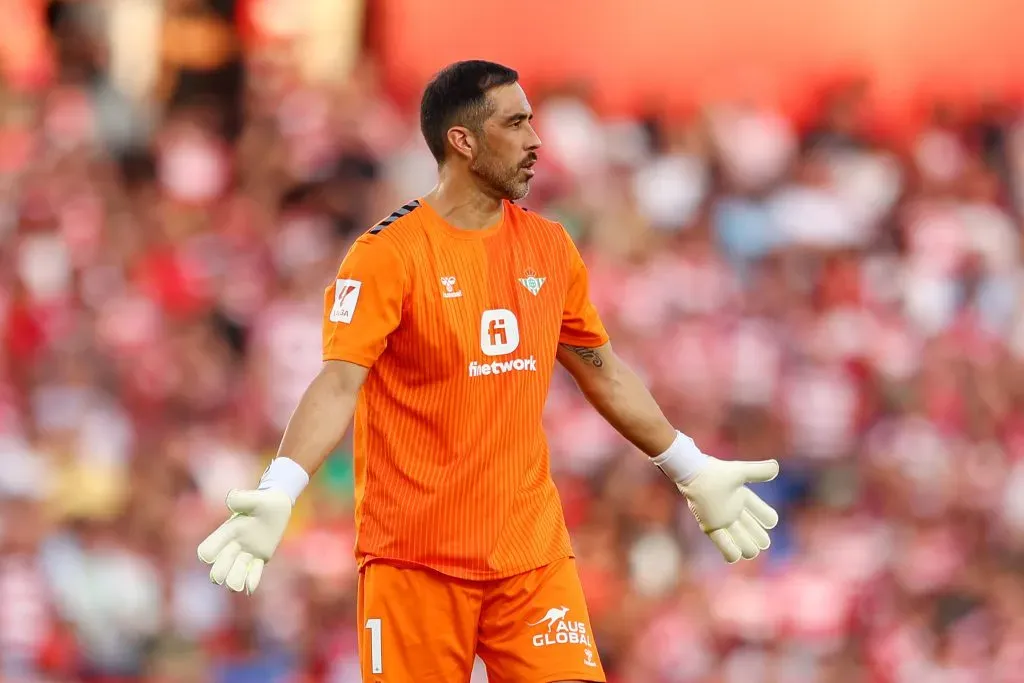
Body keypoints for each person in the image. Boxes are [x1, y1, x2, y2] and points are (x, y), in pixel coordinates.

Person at [197, 60, 781, 683]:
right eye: (517, 123)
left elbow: (603, 372)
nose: (536, 141)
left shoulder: (550, 248)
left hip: (529, 559)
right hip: (415, 563)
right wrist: (282, 488)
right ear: (463, 141)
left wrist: (689, 467)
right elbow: (339, 382)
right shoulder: (386, 255)